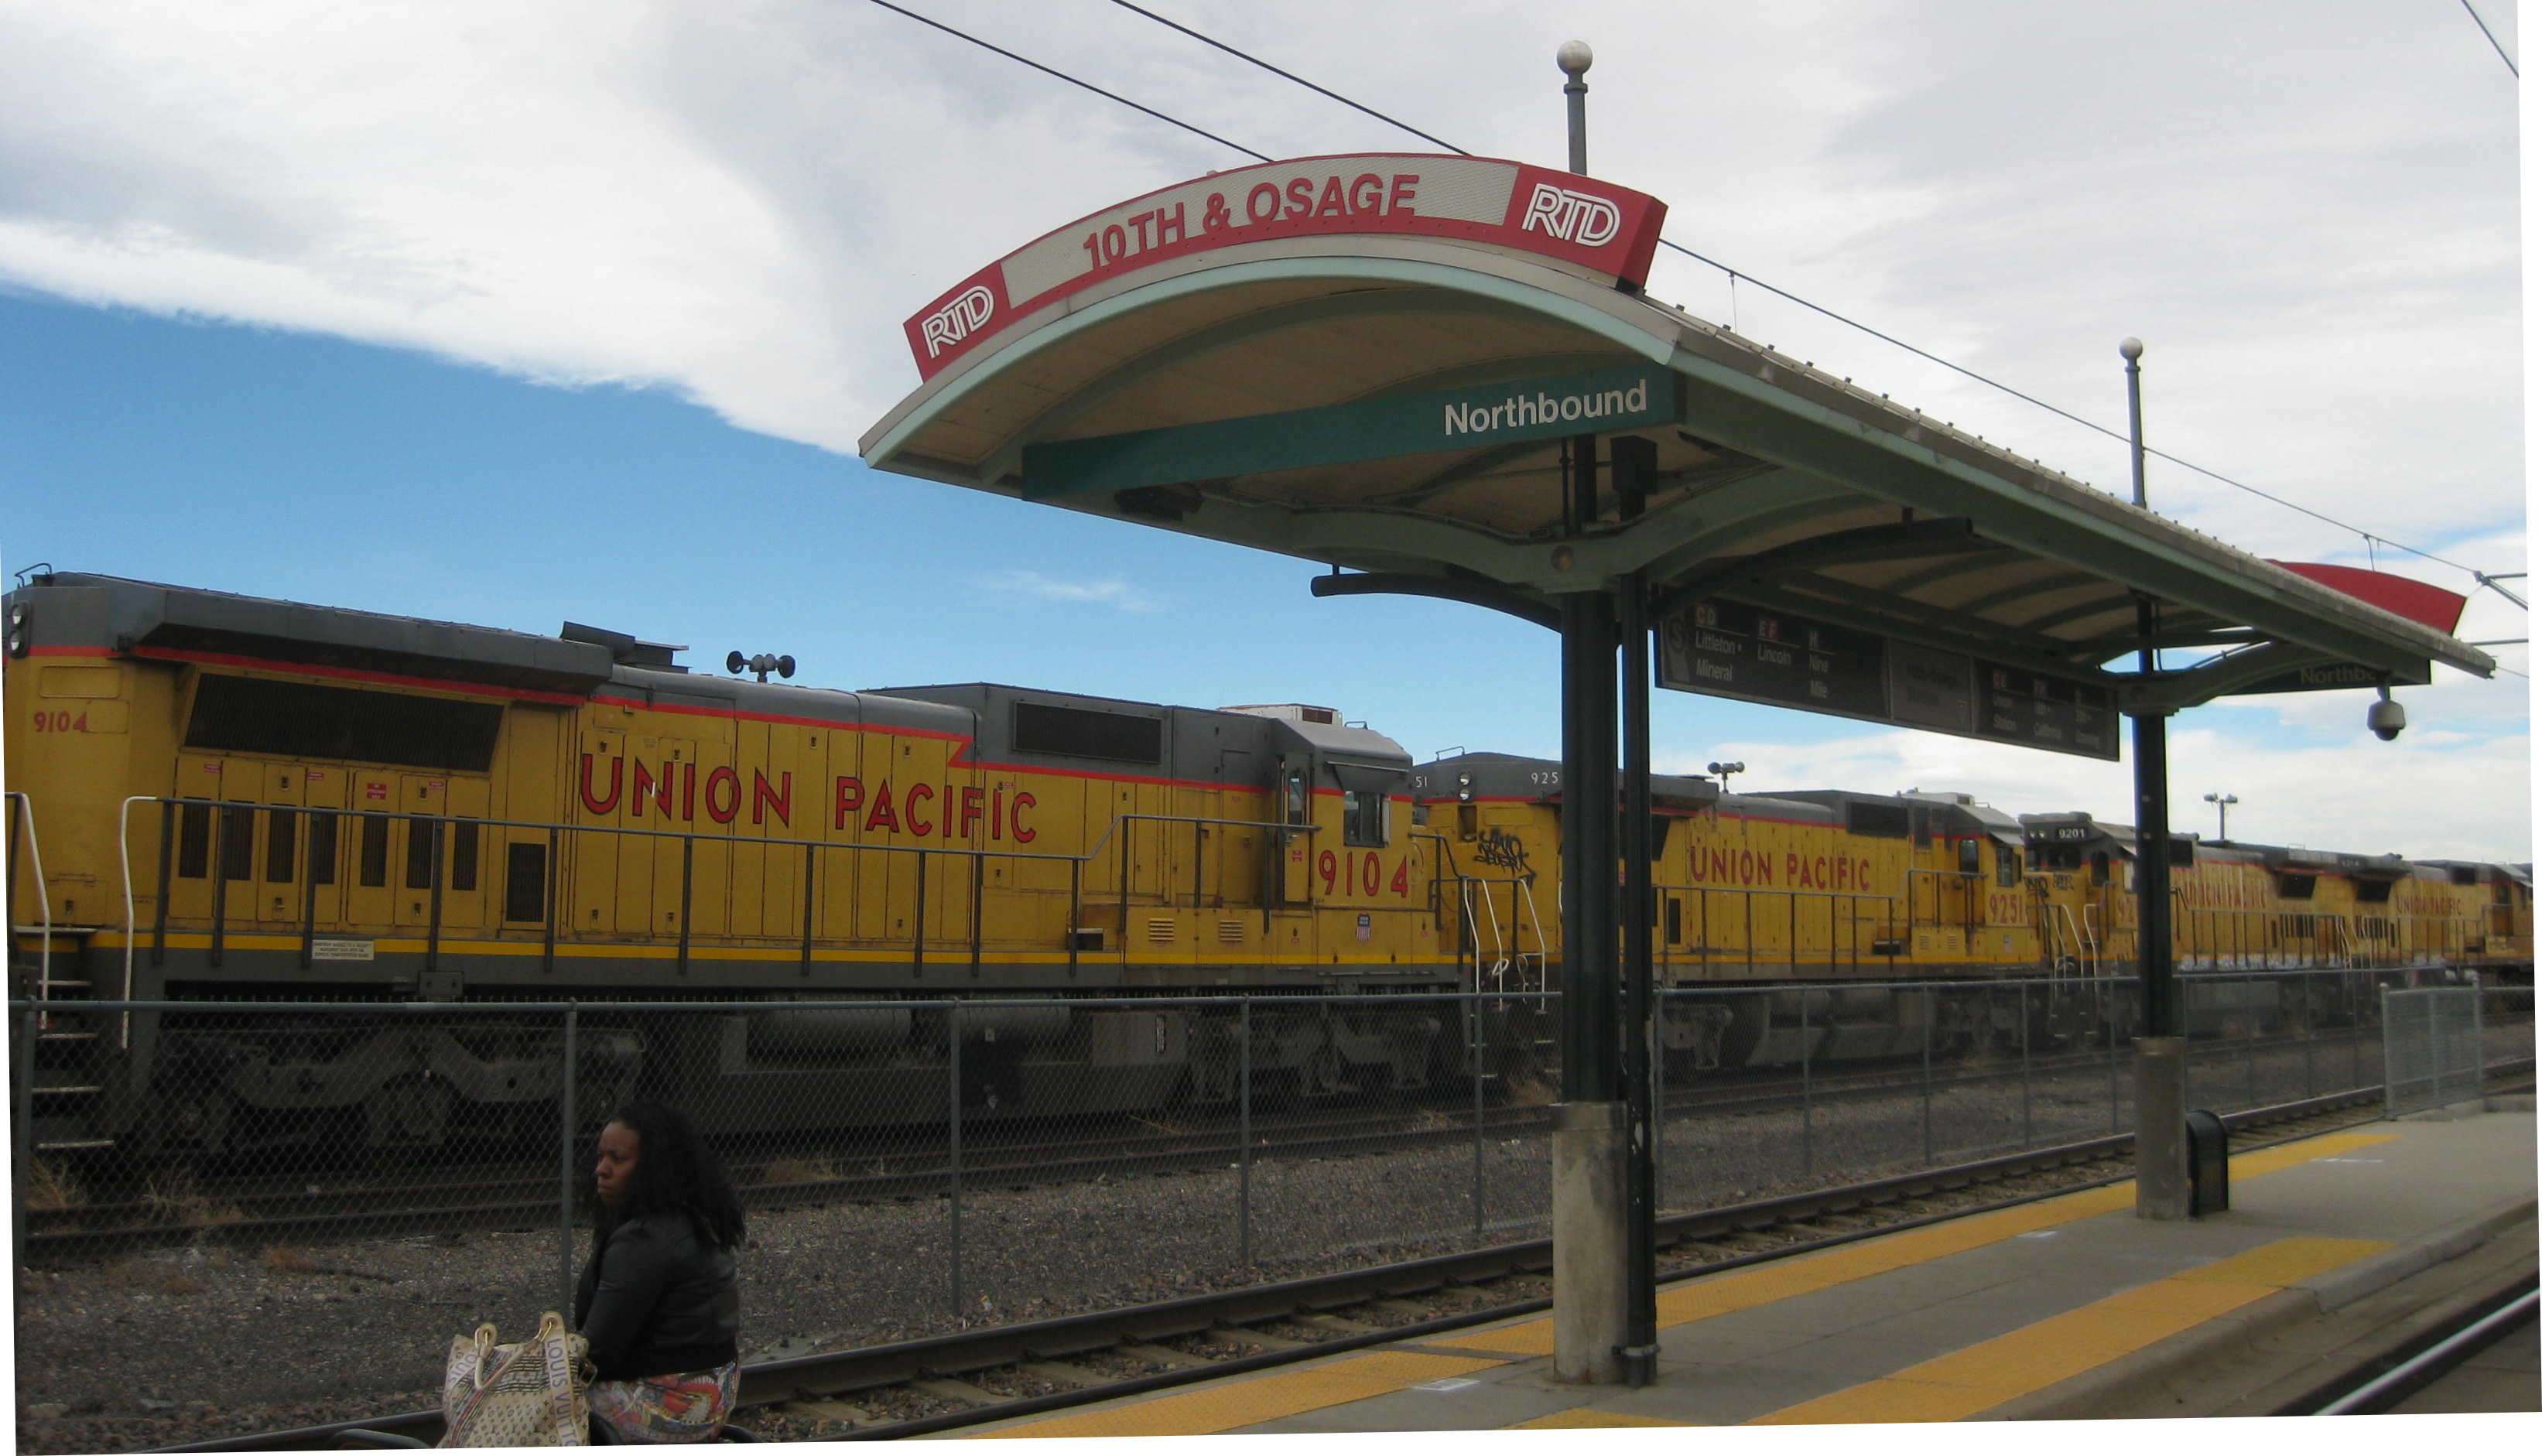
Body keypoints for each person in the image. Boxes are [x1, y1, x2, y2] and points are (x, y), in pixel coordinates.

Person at [574, 1102, 745, 1444]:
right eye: (601, 1156)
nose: (601, 1170)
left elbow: (599, 1352)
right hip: (714, 1396)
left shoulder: (643, 1239)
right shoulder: (695, 1219)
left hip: (667, 1407)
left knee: (527, 1408)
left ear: (655, 1167)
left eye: (617, 1159)